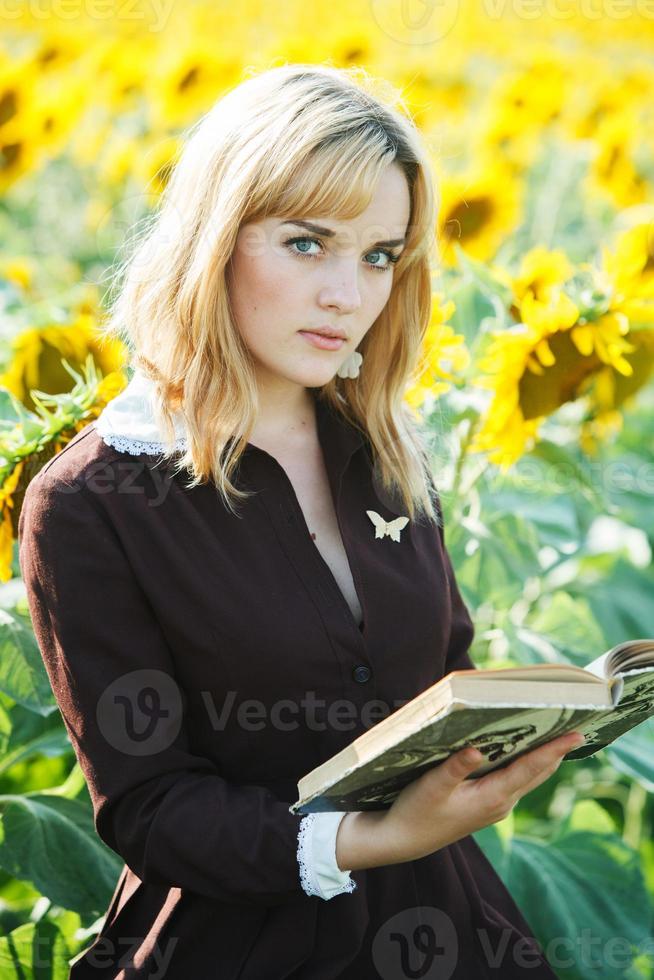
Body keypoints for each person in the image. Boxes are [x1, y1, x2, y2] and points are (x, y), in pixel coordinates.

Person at [18, 62, 585, 979]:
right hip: (239, 949)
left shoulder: (392, 451)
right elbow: (152, 808)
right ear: (214, 238)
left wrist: (513, 741)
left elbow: (442, 670)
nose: (348, 294)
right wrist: (373, 839)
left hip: (454, 927)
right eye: (306, 243)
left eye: (378, 256)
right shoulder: (92, 504)